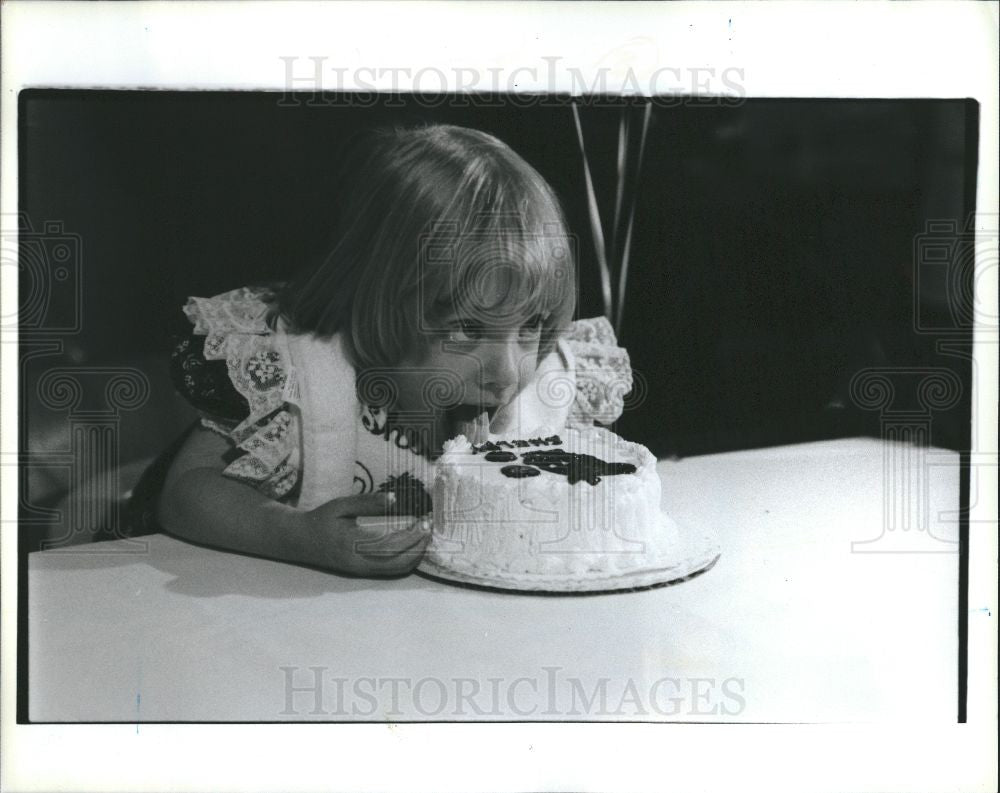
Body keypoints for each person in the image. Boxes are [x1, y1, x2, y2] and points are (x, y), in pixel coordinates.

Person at [143, 123, 633, 577]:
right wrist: (301, 538)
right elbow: (186, 493)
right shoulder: (300, 383)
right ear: (377, 307)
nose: (506, 376)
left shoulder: (546, 391)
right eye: (466, 329)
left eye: (531, 327)